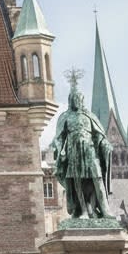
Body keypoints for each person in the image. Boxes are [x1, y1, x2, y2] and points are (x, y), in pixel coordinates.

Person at [49, 85, 113, 220]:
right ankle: (83, 210)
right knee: (77, 182)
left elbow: (99, 135)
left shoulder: (90, 116)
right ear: (70, 101)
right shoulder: (65, 117)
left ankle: (104, 209)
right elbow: (59, 138)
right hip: (74, 152)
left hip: (90, 150)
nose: (77, 101)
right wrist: (60, 149)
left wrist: (105, 143)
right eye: (74, 99)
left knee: (98, 178)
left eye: (79, 98)